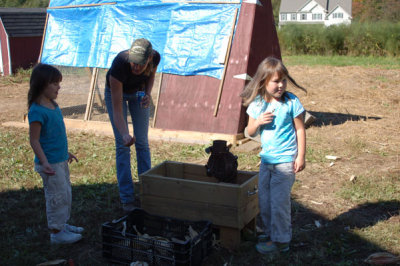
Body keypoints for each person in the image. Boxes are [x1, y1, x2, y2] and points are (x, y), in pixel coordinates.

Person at [241, 57, 307, 253]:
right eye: (276, 81)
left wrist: (301, 156)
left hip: (285, 163)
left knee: (279, 203)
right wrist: (258, 122)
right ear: (263, 82)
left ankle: (281, 241)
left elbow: (300, 130)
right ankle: (271, 233)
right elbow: (249, 131)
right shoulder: (258, 104)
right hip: (266, 162)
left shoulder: (291, 101)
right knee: (265, 201)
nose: (281, 85)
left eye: (284, 80)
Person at [28, 63, 83, 244]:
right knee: (56, 197)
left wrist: (65, 152)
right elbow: (34, 140)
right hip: (50, 164)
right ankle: (56, 232)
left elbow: (54, 136)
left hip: (60, 161)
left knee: (65, 193)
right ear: (42, 84)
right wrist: (44, 163)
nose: (58, 87)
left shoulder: (53, 105)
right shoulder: (37, 111)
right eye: (54, 83)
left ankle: (63, 224)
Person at [105, 38, 160, 212]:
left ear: (149, 58)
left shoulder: (156, 57)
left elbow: (151, 75)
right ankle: (127, 198)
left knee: (142, 143)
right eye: (133, 64)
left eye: (140, 65)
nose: (135, 68)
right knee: (123, 147)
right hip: (117, 93)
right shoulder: (120, 65)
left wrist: (148, 94)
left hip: (138, 93)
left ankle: (147, 193)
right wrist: (124, 135)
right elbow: (117, 111)